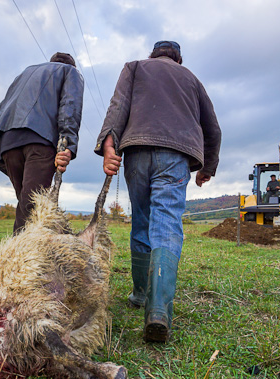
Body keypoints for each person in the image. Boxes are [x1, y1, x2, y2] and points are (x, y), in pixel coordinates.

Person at [94, 41, 222, 342]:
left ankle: (140, 295)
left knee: (141, 221)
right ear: (178, 58)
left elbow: (117, 107)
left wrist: (108, 145)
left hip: (136, 151)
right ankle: (158, 310)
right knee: (166, 225)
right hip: (176, 155)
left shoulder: (135, 68)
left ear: (154, 54)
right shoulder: (192, 79)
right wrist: (208, 167)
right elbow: (213, 129)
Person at [0, 52, 84, 233]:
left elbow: (1, 108)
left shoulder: (26, 73)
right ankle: (18, 259)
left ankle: (45, 253)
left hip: (8, 144)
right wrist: (67, 145)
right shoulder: (70, 72)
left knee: (26, 205)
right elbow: (70, 106)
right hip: (39, 142)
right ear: (71, 65)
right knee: (31, 210)